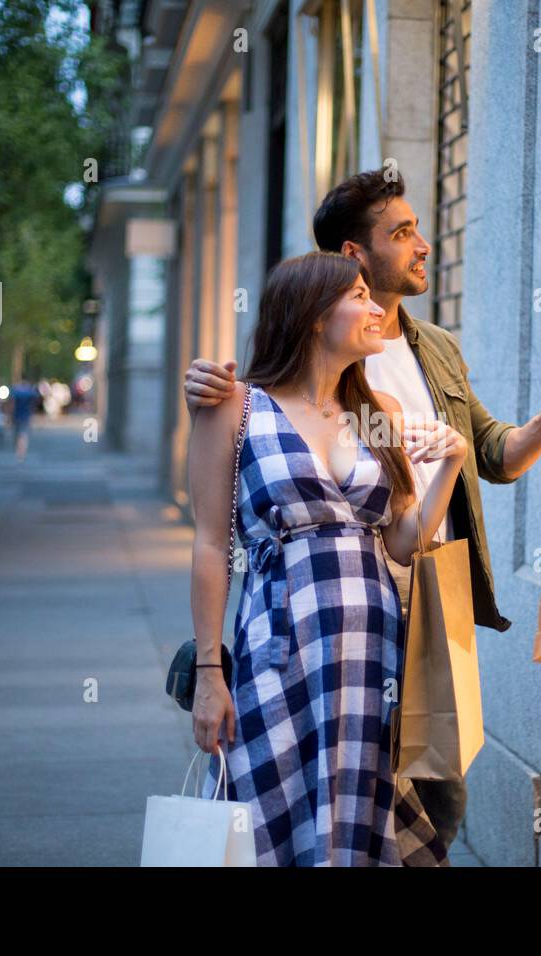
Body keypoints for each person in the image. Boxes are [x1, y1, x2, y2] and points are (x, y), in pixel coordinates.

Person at [183, 170, 541, 856]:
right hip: (289, 631)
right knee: (286, 805)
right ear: (349, 263)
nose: (422, 244)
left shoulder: (426, 354)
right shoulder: (250, 400)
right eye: (403, 231)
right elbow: (214, 535)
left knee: (422, 800)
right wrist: (211, 671)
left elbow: (489, 459)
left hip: (403, 616)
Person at [189, 251, 471, 866]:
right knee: (273, 798)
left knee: (356, 808)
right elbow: (211, 544)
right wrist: (210, 674)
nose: (378, 309)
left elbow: (403, 541)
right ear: (315, 315)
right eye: (362, 296)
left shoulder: (381, 416)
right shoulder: (236, 406)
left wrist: (450, 464)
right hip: (279, 640)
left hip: (371, 649)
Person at [10, 379, 37, 462]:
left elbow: (12, 403)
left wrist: (10, 415)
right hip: (25, 416)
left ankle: (19, 452)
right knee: (23, 435)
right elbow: (33, 403)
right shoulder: (29, 391)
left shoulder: (16, 390)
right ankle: (22, 452)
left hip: (17, 416)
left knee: (17, 435)